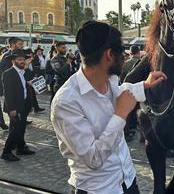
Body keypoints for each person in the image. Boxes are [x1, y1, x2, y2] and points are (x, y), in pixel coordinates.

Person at [51, 21, 167, 193]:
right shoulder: (66, 102)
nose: (126, 55)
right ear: (109, 55)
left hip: (127, 180)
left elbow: (121, 93)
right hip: (99, 189)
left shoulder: (110, 80)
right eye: (122, 50)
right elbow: (93, 158)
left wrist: (144, 85)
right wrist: (120, 115)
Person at [1, 49, 35, 161]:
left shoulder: (23, 72)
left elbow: (24, 87)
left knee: (21, 128)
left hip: (24, 105)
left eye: (23, 60)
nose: (22, 61)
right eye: (19, 60)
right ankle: (6, 152)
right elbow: (8, 93)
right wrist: (12, 109)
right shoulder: (8, 73)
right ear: (13, 61)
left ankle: (21, 147)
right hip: (14, 107)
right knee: (15, 130)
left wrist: (30, 105)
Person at [0, 37, 25, 131]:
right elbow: (6, 74)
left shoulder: (21, 55)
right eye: (20, 44)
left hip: (20, 90)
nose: (22, 46)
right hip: (11, 89)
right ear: (13, 44)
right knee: (14, 122)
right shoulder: (6, 56)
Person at [120, 45, 142, 142]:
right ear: (138, 52)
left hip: (127, 90)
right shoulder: (142, 62)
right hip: (141, 90)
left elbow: (121, 77)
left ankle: (128, 130)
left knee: (128, 112)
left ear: (131, 52)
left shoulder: (125, 63)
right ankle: (141, 133)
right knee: (142, 110)